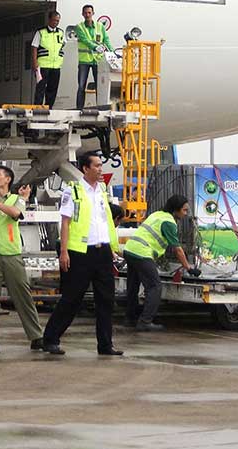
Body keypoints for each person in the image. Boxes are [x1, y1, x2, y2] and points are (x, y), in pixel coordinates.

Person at [41, 152, 122, 356]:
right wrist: (64, 252)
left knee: (106, 300)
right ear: (85, 169)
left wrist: (112, 247)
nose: (100, 169)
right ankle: (50, 339)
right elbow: (65, 223)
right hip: (80, 253)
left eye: (101, 165)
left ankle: (105, 345)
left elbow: (104, 220)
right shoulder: (73, 191)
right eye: (97, 166)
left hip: (102, 251)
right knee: (72, 299)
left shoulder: (101, 190)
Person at [0, 166, 41, 353]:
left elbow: (15, 213)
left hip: (11, 252)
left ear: (8, 179)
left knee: (23, 295)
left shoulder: (16, 199)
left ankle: (36, 336)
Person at [123, 194, 199, 332]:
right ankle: (145, 321)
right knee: (155, 287)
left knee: (133, 286)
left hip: (130, 250)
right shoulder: (168, 222)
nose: (186, 213)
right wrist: (188, 267)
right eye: (184, 210)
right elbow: (177, 249)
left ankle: (130, 318)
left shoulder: (157, 214)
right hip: (142, 253)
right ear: (175, 210)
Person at [74, 4, 114, 110]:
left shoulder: (100, 26)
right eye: (85, 13)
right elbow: (85, 40)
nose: (87, 15)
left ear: (93, 13)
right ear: (82, 14)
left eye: (89, 13)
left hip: (97, 60)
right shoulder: (79, 27)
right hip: (84, 61)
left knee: (99, 87)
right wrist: (95, 47)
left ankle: (100, 108)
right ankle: (79, 109)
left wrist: (112, 52)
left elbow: (106, 40)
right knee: (81, 86)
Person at [31, 11, 64, 109]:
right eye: (54, 20)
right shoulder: (41, 32)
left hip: (56, 66)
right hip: (43, 65)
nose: (55, 22)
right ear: (49, 20)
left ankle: (49, 108)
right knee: (41, 87)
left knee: (52, 89)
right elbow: (34, 47)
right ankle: (37, 108)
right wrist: (35, 62)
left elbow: (62, 45)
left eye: (57, 21)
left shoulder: (61, 32)